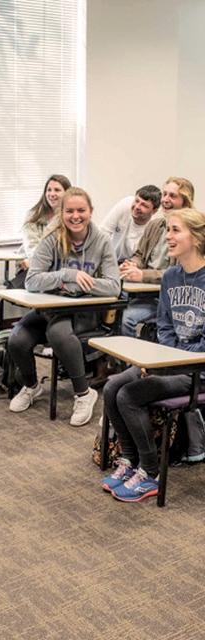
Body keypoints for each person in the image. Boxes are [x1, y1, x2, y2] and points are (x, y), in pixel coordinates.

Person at [102, 207, 205, 502]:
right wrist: (160, 361)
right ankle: (130, 461)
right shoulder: (171, 276)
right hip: (170, 362)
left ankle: (150, 472)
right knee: (111, 388)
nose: (168, 237)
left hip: (197, 370)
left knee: (129, 395)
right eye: (168, 230)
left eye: (175, 231)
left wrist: (169, 365)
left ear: (196, 238)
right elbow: (165, 326)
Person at [7, 187, 121, 426]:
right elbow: (32, 280)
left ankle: (83, 393)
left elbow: (113, 286)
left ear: (91, 211)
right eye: (69, 211)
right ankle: (31, 386)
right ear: (62, 212)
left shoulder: (101, 242)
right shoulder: (52, 239)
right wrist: (67, 274)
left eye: (81, 210)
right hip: (49, 309)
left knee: (57, 333)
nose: (75, 216)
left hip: (82, 311)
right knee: (17, 340)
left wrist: (84, 285)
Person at [119, 177, 195, 336]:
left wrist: (143, 275)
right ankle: (107, 358)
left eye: (172, 196)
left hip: (166, 297)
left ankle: (133, 359)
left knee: (127, 319)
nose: (165, 200)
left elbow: (178, 273)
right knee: (110, 304)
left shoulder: (189, 233)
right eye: (165, 194)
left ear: (185, 202)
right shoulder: (155, 225)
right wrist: (132, 265)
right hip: (143, 291)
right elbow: (139, 255)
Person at [17, 174, 72, 277]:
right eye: (49, 190)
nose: (52, 194)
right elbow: (32, 247)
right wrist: (36, 263)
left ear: (67, 194)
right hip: (33, 268)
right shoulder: (33, 216)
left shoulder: (72, 217)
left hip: (60, 269)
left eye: (57, 190)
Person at [100, 185, 161, 262]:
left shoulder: (154, 227)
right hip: (110, 259)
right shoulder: (126, 204)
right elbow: (104, 231)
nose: (137, 207)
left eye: (144, 205)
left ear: (154, 211)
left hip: (133, 265)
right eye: (137, 201)